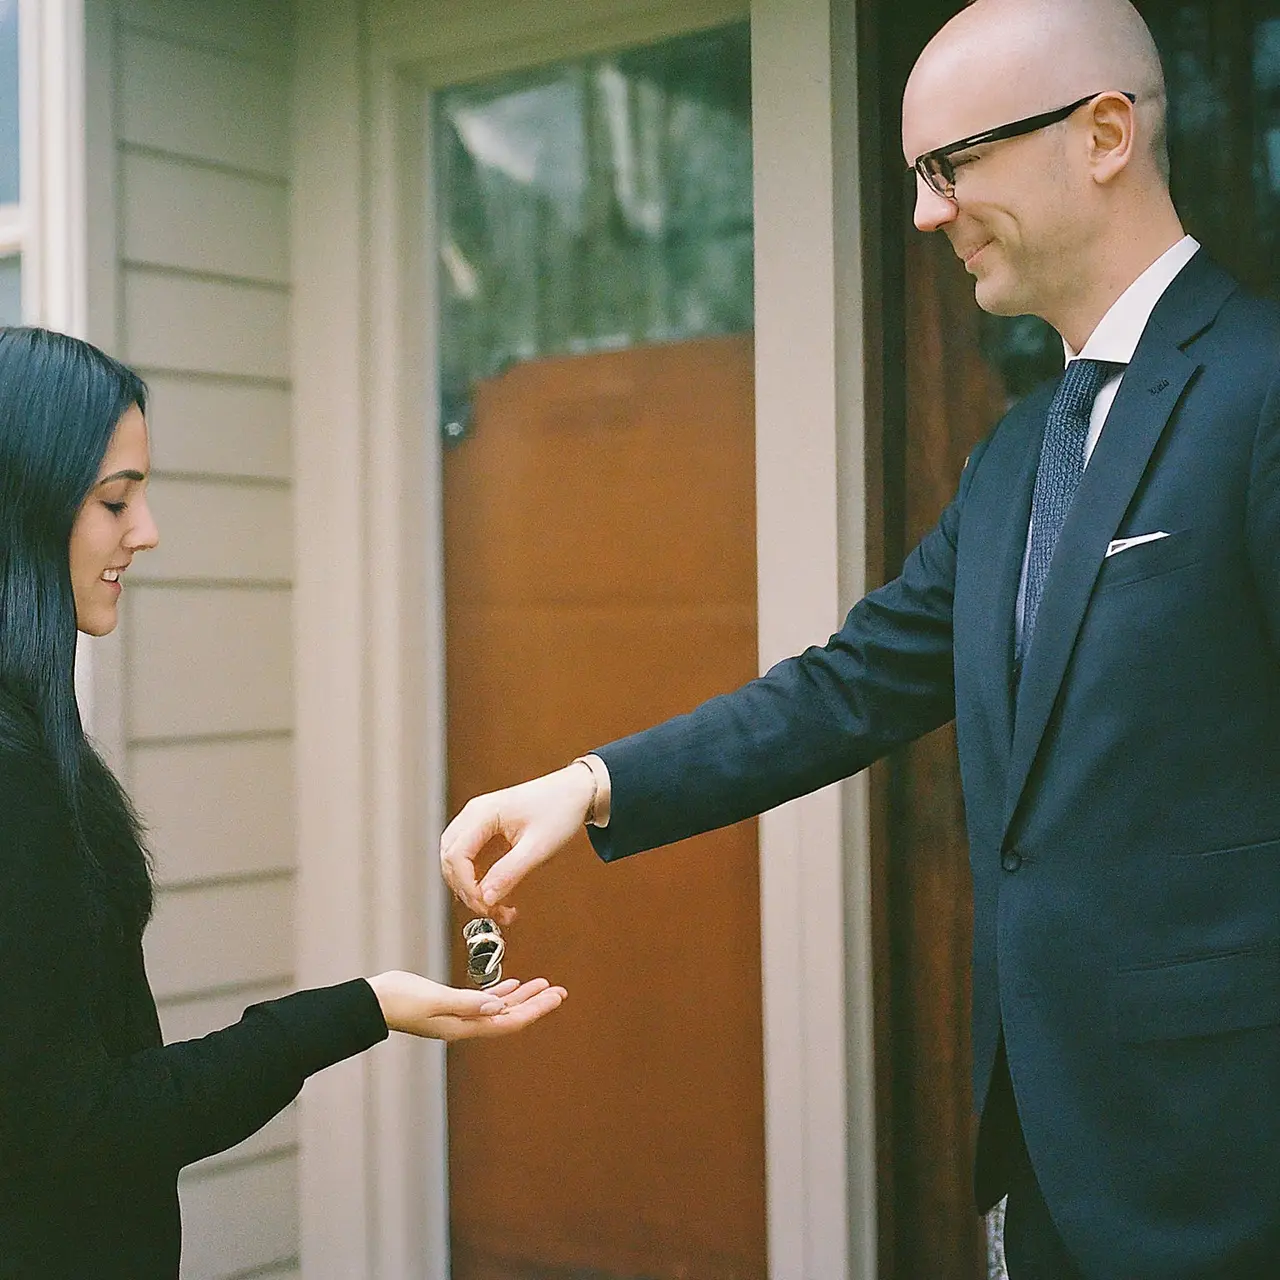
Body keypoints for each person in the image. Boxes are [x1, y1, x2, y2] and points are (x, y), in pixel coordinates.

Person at [440, 0, 1280, 1276]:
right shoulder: (1013, 457)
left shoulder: (1262, 391)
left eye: (951, 167)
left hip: (1228, 1170)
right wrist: (589, 784)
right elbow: (847, 685)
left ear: (1103, 133)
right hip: (1040, 1169)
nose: (924, 214)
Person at [0, 326, 566, 1280]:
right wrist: (365, 1008)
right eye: (114, 501)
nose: (147, 532)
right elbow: (88, 1129)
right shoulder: (11, 779)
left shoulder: (39, 745)